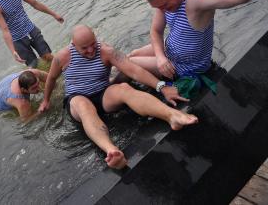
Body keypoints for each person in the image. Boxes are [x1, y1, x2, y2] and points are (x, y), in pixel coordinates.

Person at [38, 25, 198, 169]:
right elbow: (51, 79)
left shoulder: (106, 51)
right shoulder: (63, 57)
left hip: (102, 94)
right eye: (84, 48)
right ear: (73, 45)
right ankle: (112, 151)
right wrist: (45, 100)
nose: (91, 50)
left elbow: (133, 70)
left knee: (124, 88)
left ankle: (172, 116)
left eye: (93, 44)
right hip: (77, 98)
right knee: (83, 106)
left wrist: (161, 87)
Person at [128, 0, 268, 82]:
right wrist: (160, 57)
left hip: (186, 67)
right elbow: (156, 31)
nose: (163, 10)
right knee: (133, 54)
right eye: (159, 8)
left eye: (165, 5)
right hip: (169, 52)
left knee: (129, 63)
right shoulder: (163, 5)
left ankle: (111, 92)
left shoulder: (195, 0)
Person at [0, 0, 64, 67]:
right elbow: (5, 30)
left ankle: (64, 70)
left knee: (47, 56)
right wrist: (13, 51)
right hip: (17, 39)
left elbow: (34, 3)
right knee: (33, 65)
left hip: (30, 29)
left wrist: (54, 14)